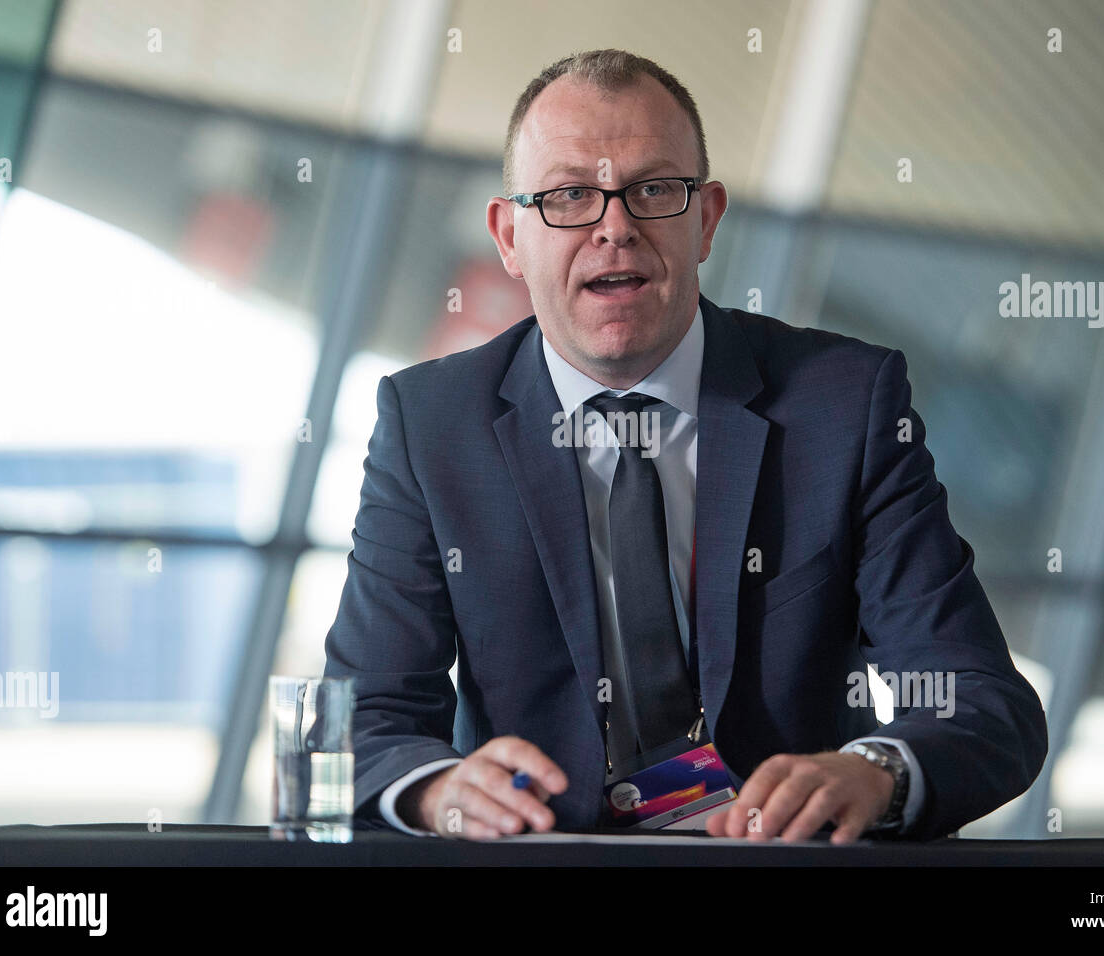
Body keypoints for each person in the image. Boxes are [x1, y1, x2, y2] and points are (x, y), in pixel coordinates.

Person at [323, 49, 1047, 843]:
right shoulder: (431, 424)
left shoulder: (845, 406)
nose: (615, 227)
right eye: (569, 195)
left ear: (706, 219)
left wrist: (876, 771)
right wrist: (439, 791)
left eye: (654, 190)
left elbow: (983, 702)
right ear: (508, 236)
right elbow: (364, 718)